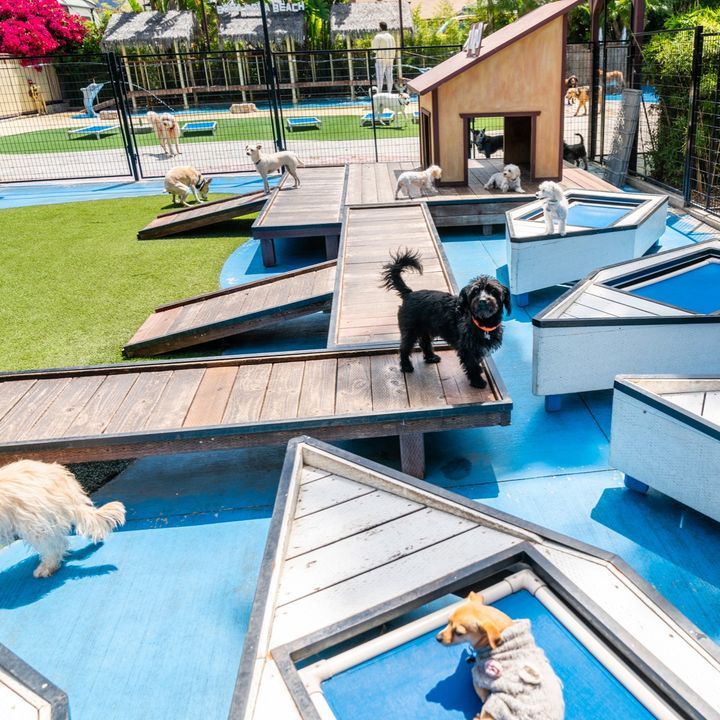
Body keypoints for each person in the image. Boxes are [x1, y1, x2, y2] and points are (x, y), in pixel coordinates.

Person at [371, 21, 396, 94]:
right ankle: (389, 92)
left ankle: (380, 93)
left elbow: (374, 49)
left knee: (380, 77)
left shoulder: (378, 36)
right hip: (390, 59)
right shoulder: (391, 36)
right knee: (389, 76)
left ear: (380, 27)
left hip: (381, 59)